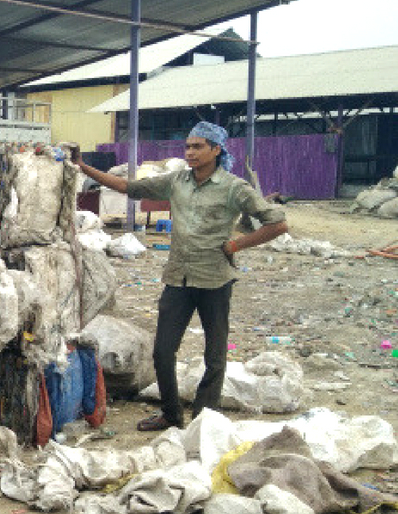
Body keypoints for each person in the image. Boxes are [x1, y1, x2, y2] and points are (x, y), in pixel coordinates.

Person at [71, 121, 288, 431]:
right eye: (187, 146)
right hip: (179, 278)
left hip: (215, 280)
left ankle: (204, 420)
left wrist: (237, 244)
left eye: (198, 146)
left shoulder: (234, 187)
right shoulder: (177, 182)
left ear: (216, 150)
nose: (190, 152)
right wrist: (82, 166)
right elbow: (127, 187)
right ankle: (171, 414)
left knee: (214, 355)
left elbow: (277, 223)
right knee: (162, 352)